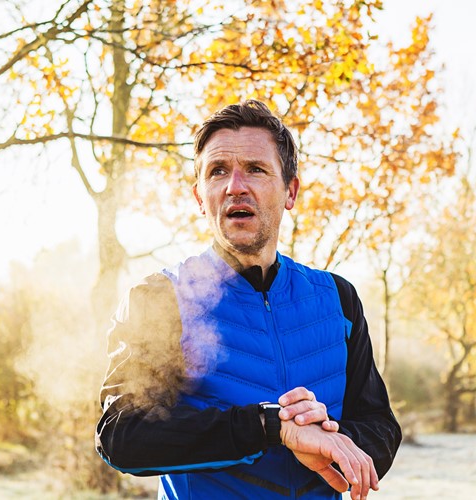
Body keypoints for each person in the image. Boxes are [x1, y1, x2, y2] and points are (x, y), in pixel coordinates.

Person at [95, 100, 401, 500]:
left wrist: (329, 436)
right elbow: (121, 436)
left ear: (290, 191)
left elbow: (380, 427)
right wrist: (269, 427)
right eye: (217, 171)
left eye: (255, 169)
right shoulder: (158, 300)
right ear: (200, 197)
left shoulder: (338, 299)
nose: (234, 185)